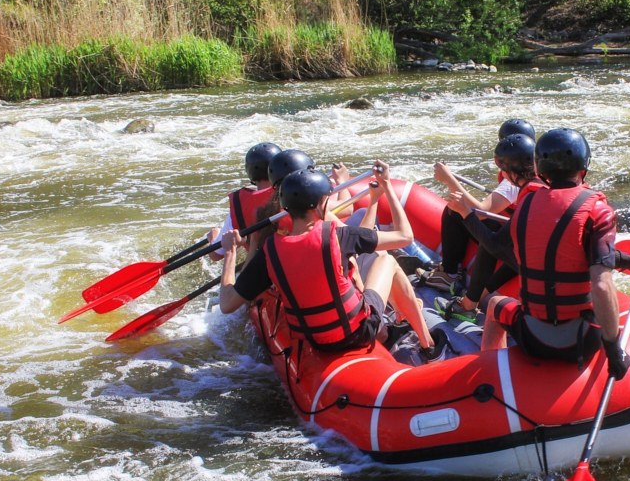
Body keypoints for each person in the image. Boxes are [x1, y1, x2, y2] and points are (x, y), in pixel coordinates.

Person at [446, 128, 630, 379]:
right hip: (584, 343)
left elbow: (495, 245)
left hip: (533, 337)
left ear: (540, 168)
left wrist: (465, 213)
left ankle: (494, 376)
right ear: (584, 167)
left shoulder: (526, 204)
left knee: (494, 304)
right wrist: (614, 351)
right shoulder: (597, 210)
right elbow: (600, 282)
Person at [218, 162, 450, 362]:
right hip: (356, 332)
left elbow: (227, 304)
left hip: (317, 341)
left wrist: (230, 254)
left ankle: (391, 329)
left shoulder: (269, 251)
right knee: (387, 262)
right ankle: (429, 346)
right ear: (321, 205)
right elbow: (405, 236)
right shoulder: (339, 236)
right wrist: (387, 185)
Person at [433, 133, 546, 323]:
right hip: (541, 260)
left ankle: (466, 305)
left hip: (537, 268)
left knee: (491, 237)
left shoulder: (529, 196)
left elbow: (493, 244)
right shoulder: (543, 185)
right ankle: (474, 296)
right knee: (503, 238)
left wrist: (465, 211)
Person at [423, 118, 538, 295]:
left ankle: (449, 273)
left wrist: (449, 180)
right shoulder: (531, 174)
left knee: (454, 210)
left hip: (510, 242)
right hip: (516, 238)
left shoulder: (513, 182)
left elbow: (482, 212)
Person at [206, 142, 281, 262]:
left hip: (262, 268)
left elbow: (216, 255)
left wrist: (213, 238)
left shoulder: (240, 204)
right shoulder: (293, 192)